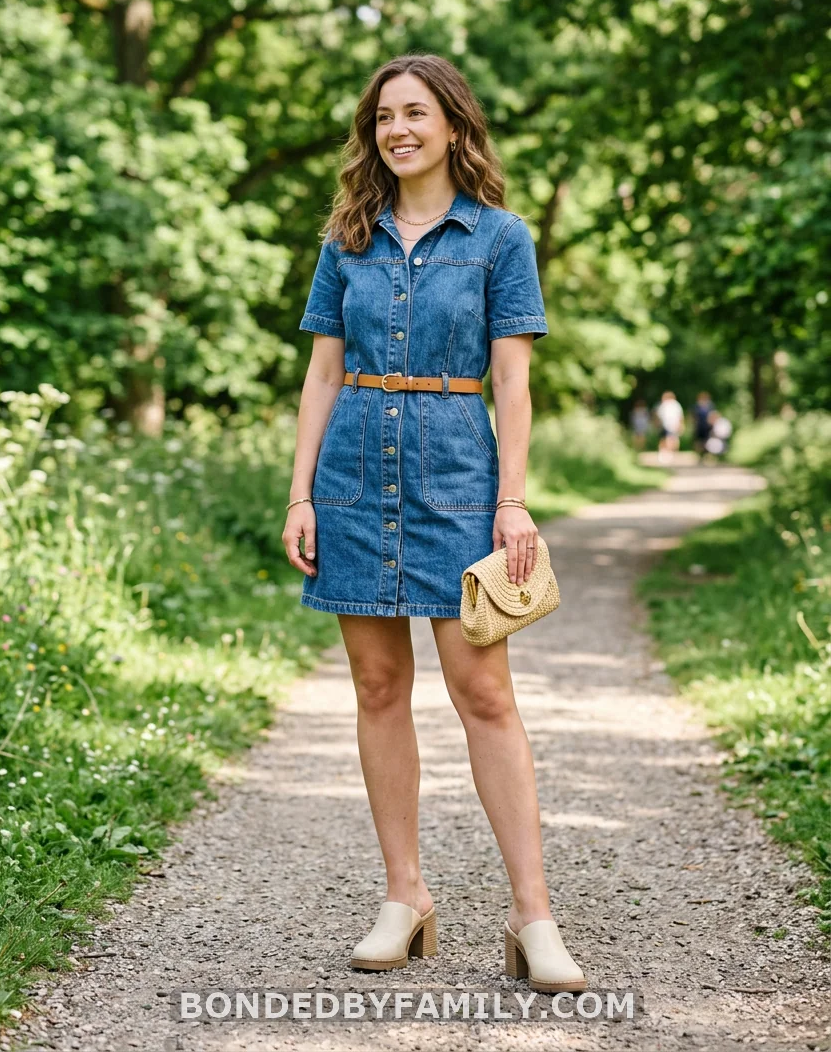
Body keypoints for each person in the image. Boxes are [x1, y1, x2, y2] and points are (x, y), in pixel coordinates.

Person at [283, 53, 586, 992]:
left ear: (454, 125)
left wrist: (513, 498)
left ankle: (532, 916)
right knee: (378, 687)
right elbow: (324, 373)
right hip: (353, 474)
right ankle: (404, 896)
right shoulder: (347, 239)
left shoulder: (501, 239)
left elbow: (513, 381)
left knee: (482, 692)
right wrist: (299, 494)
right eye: (383, 117)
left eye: (416, 113)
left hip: (460, 470)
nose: (398, 129)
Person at [655, 390, 684, 461]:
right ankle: (666, 452)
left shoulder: (675, 405)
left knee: (671, 439)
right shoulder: (664, 405)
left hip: (672, 425)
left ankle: (669, 452)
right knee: (666, 439)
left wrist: (680, 425)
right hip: (665, 425)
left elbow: (680, 416)